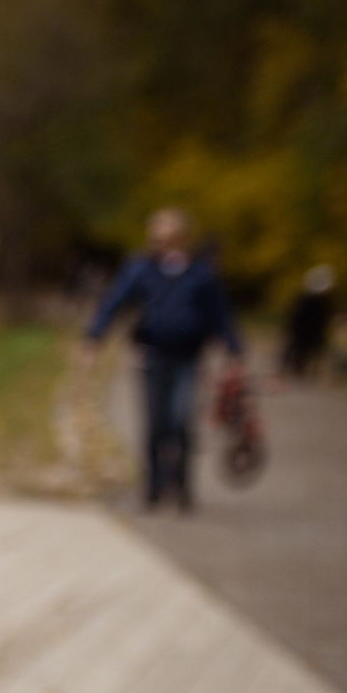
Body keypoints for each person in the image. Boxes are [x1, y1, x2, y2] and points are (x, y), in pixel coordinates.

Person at [82, 207, 242, 510]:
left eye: (168, 233)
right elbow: (114, 301)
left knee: (181, 419)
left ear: (182, 236)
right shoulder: (141, 269)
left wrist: (234, 351)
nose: (161, 239)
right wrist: (94, 338)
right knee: (156, 423)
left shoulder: (200, 273)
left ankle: (181, 485)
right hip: (152, 355)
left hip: (188, 357)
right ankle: (154, 486)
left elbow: (220, 314)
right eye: (157, 233)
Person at [282, 264, 338, 378]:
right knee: (296, 348)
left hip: (311, 329)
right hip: (304, 329)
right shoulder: (308, 298)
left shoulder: (320, 300)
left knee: (305, 349)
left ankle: (300, 368)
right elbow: (297, 314)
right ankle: (289, 366)